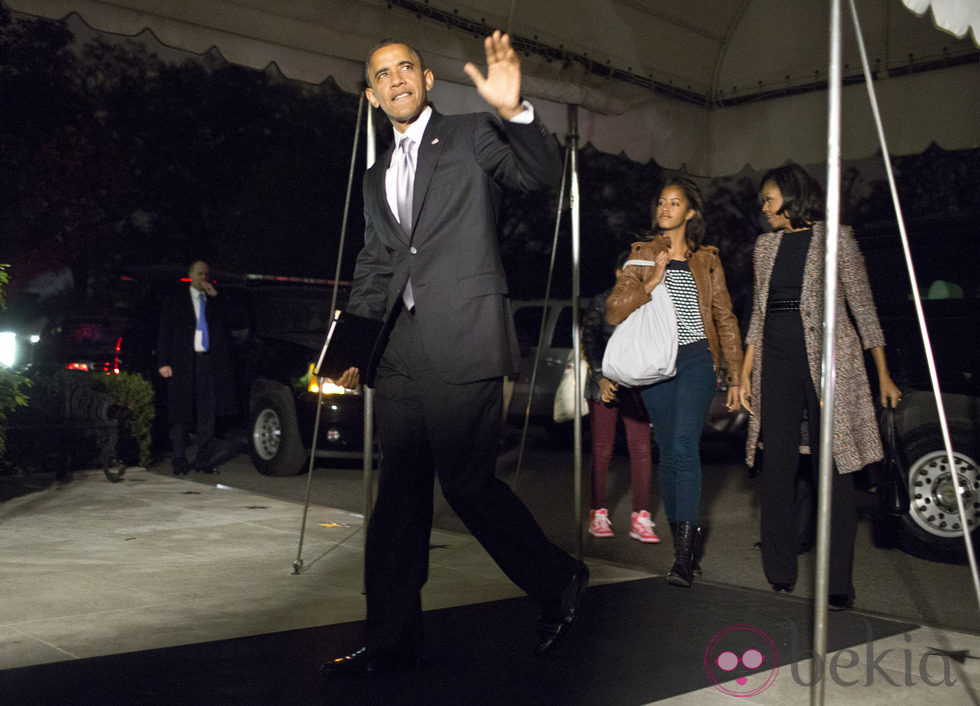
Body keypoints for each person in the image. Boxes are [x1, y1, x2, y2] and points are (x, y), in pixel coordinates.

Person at [321, 32, 587, 675]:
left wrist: (515, 111)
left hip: (465, 336)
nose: (396, 80)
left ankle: (557, 581)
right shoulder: (375, 176)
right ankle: (390, 640)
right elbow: (375, 262)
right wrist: (348, 349)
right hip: (399, 350)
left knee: (467, 486)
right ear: (372, 94)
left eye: (405, 67)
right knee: (398, 498)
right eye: (382, 74)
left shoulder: (470, 134)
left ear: (428, 79)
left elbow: (539, 174)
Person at [738, 162, 900, 610]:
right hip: (776, 362)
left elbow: (864, 308)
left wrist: (882, 373)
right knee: (778, 467)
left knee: (834, 470)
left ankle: (838, 583)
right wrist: (746, 372)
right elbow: (758, 314)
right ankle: (781, 570)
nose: (764, 209)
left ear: (791, 197)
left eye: (769, 199)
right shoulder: (764, 247)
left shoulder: (837, 239)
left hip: (829, 361)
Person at [606, 177, 743, 588]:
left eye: (675, 202)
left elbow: (725, 318)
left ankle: (684, 557)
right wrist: (650, 282)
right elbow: (613, 313)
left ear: (690, 212)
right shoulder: (641, 255)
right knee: (668, 452)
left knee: (684, 446)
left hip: (698, 360)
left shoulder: (708, 260)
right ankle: (681, 542)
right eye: (661, 201)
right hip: (656, 366)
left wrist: (736, 376)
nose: (665, 208)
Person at [582, 251, 659, 543]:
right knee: (602, 449)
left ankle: (641, 516)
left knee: (641, 449)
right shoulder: (601, 301)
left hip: (635, 386)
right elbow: (590, 339)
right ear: (618, 272)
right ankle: (598, 514)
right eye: (631, 269)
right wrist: (601, 376)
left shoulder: (646, 303)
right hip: (605, 384)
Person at [156, 260, 237, 475]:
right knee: (182, 411)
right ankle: (179, 459)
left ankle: (203, 460)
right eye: (200, 274)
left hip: (207, 361)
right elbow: (165, 331)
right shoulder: (177, 300)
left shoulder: (212, 301)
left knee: (207, 413)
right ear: (191, 275)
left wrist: (216, 297)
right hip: (183, 361)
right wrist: (164, 361)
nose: (204, 278)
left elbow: (231, 320)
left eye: (206, 275)